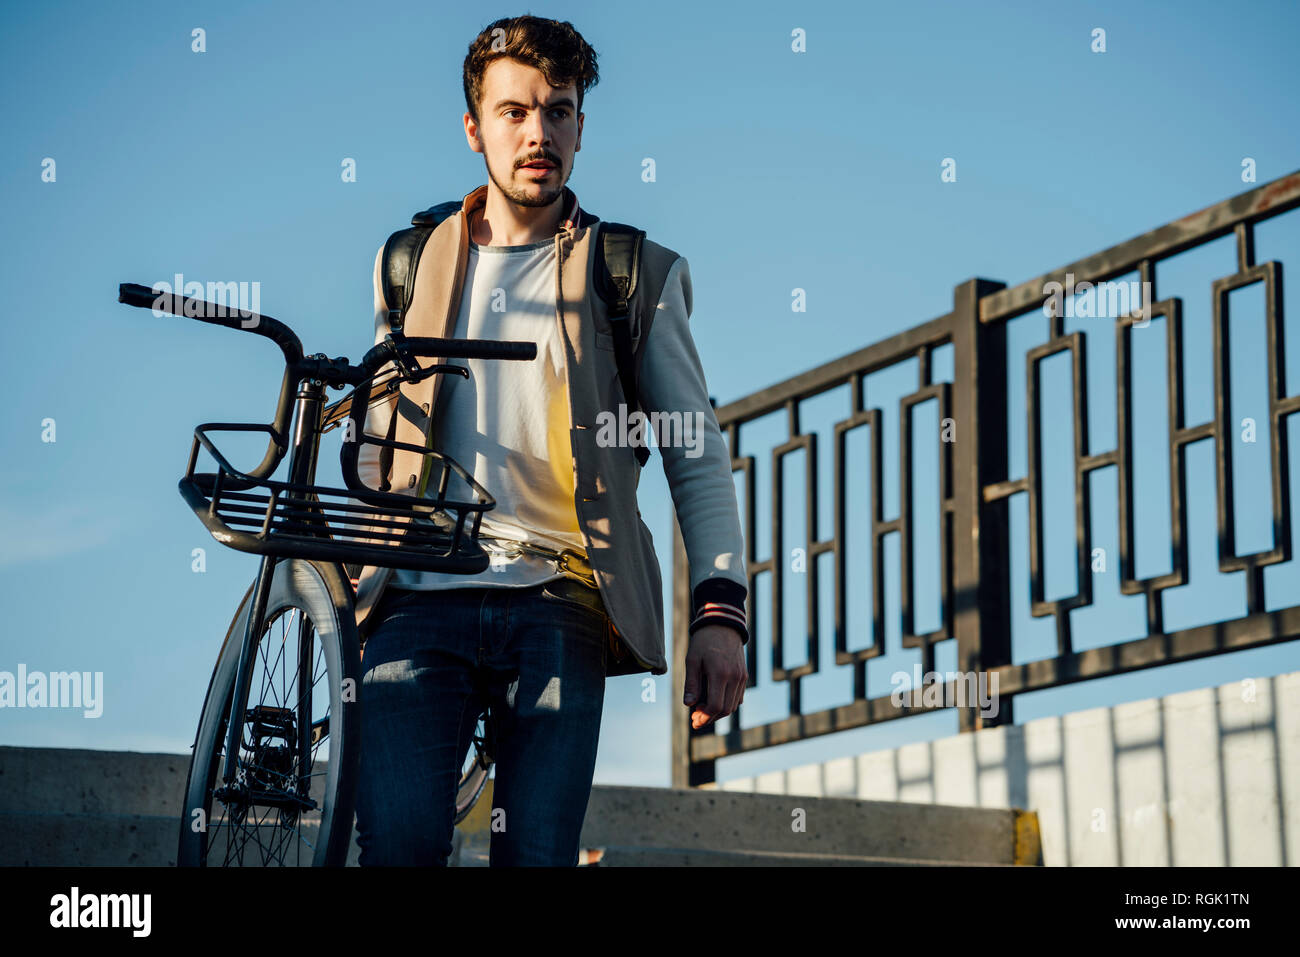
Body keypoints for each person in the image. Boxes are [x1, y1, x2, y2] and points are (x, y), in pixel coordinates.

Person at [350, 14, 749, 866]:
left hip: (560, 598)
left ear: (580, 124)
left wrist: (721, 613)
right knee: (399, 847)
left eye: (559, 111)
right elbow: (379, 428)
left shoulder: (632, 274)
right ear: (473, 129)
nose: (539, 134)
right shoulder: (409, 262)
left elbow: (695, 452)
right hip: (418, 594)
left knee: (534, 853)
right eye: (514, 112)